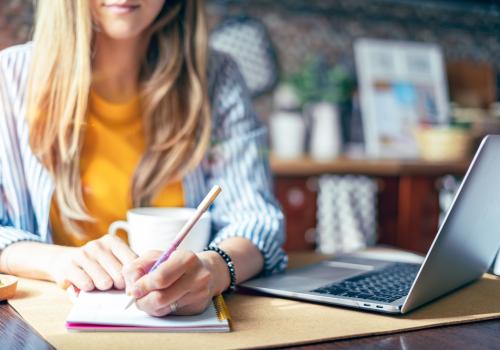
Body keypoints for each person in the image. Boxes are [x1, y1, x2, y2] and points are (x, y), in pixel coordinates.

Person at [0, 0, 286, 317]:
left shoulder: (217, 77)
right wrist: (57, 260)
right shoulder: (8, 79)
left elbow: (256, 220)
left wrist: (214, 268)